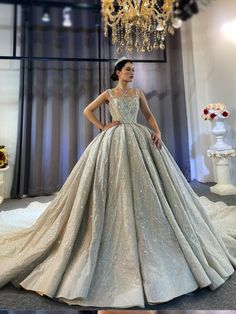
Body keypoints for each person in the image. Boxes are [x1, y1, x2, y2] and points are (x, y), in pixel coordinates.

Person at [0, 56, 236, 308]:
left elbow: (149, 116)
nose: (132, 73)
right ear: (118, 72)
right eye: (128, 69)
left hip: (138, 137)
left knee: (150, 188)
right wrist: (102, 126)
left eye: (133, 70)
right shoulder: (109, 93)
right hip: (113, 139)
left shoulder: (138, 93)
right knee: (110, 186)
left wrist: (157, 132)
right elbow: (86, 110)